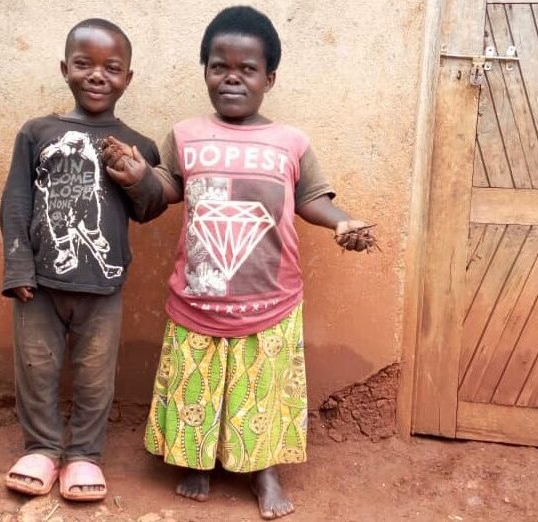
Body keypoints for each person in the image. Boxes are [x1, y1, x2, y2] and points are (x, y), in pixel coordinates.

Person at [102, 6, 376, 520]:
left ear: (269, 78)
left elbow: (311, 196)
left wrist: (342, 222)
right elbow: (165, 190)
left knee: (260, 391)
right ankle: (195, 463)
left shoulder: (290, 142)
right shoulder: (184, 135)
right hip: (198, 293)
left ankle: (264, 471)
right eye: (218, 65)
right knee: (196, 388)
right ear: (204, 70)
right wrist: (139, 175)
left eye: (247, 68)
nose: (232, 76)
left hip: (269, 296)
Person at [0, 18, 166, 501]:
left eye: (112, 68)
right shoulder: (37, 133)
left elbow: (151, 209)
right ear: (64, 69)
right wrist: (17, 268)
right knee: (36, 368)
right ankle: (43, 448)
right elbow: (15, 203)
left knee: (96, 376)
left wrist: (137, 176)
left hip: (103, 286)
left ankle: (85, 456)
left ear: (128, 78)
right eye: (84, 64)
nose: (98, 75)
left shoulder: (139, 145)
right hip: (39, 285)